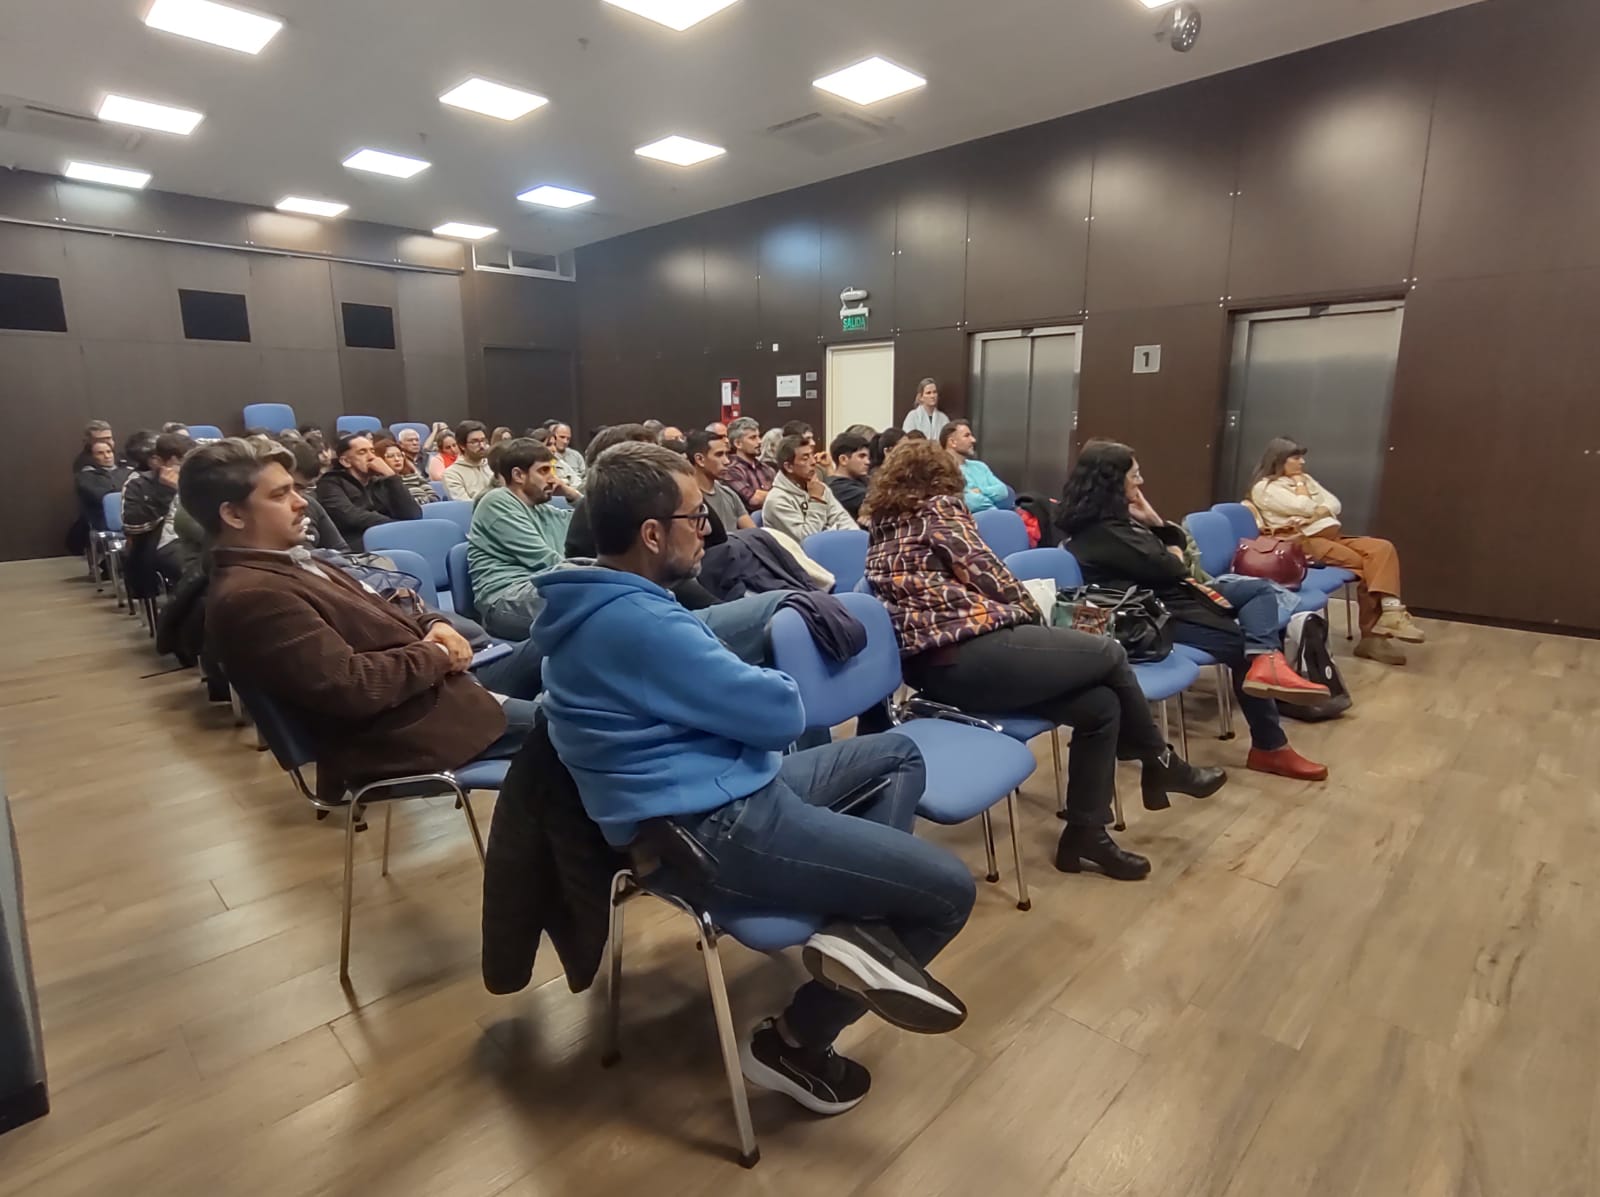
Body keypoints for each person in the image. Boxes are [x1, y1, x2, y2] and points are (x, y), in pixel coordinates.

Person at [534, 441, 976, 1113]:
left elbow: (726, 697)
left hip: (726, 790)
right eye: (695, 515)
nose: (708, 528)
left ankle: (858, 933)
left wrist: (729, 673)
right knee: (948, 892)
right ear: (651, 534)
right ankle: (797, 1040)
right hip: (712, 830)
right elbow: (780, 712)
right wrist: (748, 674)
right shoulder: (642, 624)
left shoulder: (591, 604)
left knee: (895, 755)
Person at [863, 440, 1225, 881]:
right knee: (1109, 652)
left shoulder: (883, 526)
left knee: (1100, 707)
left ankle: (1086, 835)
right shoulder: (938, 510)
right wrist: (1033, 615)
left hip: (938, 670)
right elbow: (992, 577)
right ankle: (1160, 762)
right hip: (968, 652)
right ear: (941, 478)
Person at [185, 438, 542, 802]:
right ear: (234, 515)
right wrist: (437, 653)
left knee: (549, 645)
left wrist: (436, 624)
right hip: (410, 731)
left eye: (295, 489)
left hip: (434, 693)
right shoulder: (254, 595)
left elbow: (395, 602)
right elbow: (352, 686)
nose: (301, 502)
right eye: (279, 495)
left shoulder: (293, 561)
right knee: (575, 726)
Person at [1059, 441, 1330, 782]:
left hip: (1174, 595)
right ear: (1112, 481)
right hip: (1151, 614)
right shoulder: (1101, 532)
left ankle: (1268, 663)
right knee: (1241, 643)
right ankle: (1270, 745)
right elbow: (1175, 566)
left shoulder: (1117, 520)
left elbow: (1172, 555)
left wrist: (1154, 521)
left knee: (1259, 590)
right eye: (1135, 476)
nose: (1140, 482)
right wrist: (1168, 545)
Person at [1249, 438, 1422, 664]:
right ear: (1279, 460)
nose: (1302, 462)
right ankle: (1373, 636)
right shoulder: (1265, 488)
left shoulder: (1306, 479)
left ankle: (1390, 613)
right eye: (1296, 457)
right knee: (1370, 566)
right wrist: (1306, 494)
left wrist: (1316, 510)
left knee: (1382, 548)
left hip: (1333, 536)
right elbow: (1304, 506)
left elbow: (1335, 504)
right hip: (1307, 542)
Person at [468, 439, 579, 641]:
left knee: (600, 602)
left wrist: (572, 494)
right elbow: (544, 559)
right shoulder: (496, 502)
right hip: (505, 598)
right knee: (592, 606)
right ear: (518, 475)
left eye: (553, 470)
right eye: (544, 471)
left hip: (544, 587)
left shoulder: (542, 509)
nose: (553, 479)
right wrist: (597, 577)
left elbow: (591, 522)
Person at [316, 433, 423, 550]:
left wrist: (392, 477)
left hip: (390, 539)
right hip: (356, 546)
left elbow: (413, 515)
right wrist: (397, 525)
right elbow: (351, 517)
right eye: (362, 452)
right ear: (346, 461)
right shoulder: (329, 483)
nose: (372, 457)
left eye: (372, 451)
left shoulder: (382, 482)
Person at [122, 430, 195, 587]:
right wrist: (165, 492)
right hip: (164, 542)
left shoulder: (196, 478)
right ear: (159, 462)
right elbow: (133, 526)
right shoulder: (138, 484)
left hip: (199, 537)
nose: (185, 469)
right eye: (179, 463)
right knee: (195, 571)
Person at [761, 435, 857, 542]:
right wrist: (816, 501)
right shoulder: (776, 501)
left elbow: (844, 521)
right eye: (805, 458)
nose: (813, 462)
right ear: (789, 467)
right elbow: (808, 540)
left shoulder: (820, 488)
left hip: (831, 547)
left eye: (812, 455)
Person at [683, 429, 755, 537]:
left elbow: (754, 534)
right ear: (700, 460)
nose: (727, 461)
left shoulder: (729, 494)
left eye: (726, 454)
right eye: (719, 455)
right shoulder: (686, 500)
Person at [285, 441, 348, 552]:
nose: (301, 499)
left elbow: (341, 549)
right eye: (296, 487)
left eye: (306, 488)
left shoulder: (310, 503)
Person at [940, 420, 1009, 513]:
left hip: (992, 515)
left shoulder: (980, 466)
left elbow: (1003, 491)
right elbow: (970, 502)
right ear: (952, 442)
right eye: (967, 436)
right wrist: (992, 505)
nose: (973, 440)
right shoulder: (943, 470)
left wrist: (980, 491)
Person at [75, 438, 131, 531]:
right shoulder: (85, 477)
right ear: (92, 456)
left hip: (132, 521)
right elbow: (101, 497)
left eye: (109, 452)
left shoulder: (127, 472)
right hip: (103, 525)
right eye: (100, 453)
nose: (107, 456)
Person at [724, 417, 775, 511]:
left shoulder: (767, 468)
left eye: (759, 436)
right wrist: (780, 497)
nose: (759, 441)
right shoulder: (731, 470)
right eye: (753, 438)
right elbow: (754, 499)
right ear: (738, 443)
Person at [376, 437, 438, 507]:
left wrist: (417, 502)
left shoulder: (414, 477)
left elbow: (435, 498)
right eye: (390, 456)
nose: (397, 459)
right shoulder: (381, 484)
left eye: (399, 455)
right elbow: (400, 504)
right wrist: (421, 502)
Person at [442, 422, 495, 502]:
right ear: (462, 446)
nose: (482, 446)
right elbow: (464, 504)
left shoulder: (493, 466)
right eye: (475, 442)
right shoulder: (451, 474)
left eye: (483, 440)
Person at [826, 432, 872, 520]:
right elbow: (880, 499)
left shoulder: (863, 480)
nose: (867, 462)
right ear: (843, 459)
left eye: (868, 457)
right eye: (861, 456)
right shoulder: (838, 488)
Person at [550, 422, 586, 492]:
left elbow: (585, 475)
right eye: (562, 437)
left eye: (568, 439)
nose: (565, 441)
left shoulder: (576, 455)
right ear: (553, 437)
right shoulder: (549, 456)